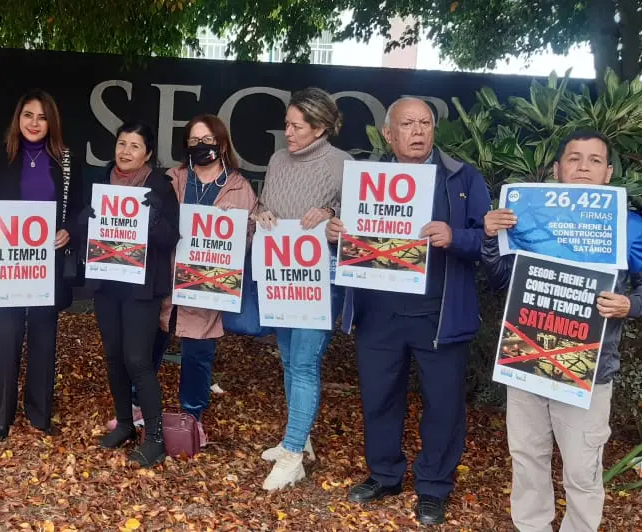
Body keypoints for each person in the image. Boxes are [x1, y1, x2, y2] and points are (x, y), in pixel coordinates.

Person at [481, 131, 642, 532]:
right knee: (527, 457)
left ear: (608, 173)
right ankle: (532, 526)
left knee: (583, 469)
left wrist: (631, 304)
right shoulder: (525, 217)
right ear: (556, 169)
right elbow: (500, 280)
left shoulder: (628, 223)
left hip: (591, 367)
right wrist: (490, 238)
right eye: (574, 158)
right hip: (527, 358)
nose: (584, 166)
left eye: (595, 160)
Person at [325, 97, 490, 525]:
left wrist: (457, 236)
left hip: (439, 314)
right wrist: (334, 230)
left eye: (425, 123)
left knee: (443, 405)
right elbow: (345, 231)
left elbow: (491, 244)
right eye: (408, 124)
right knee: (378, 399)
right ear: (388, 133)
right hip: (379, 313)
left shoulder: (462, 177)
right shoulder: (365, 179)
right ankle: (384, 474)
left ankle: (434, 487)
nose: (418, 131)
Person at [250, 88, 350, 490]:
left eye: (296, 126)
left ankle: (292, 454)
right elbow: (261, 206)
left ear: (320, 127)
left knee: (306, 363)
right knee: (289, 360)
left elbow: (359, 220)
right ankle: (300, 434)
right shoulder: (277, 160)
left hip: (319, 276)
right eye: (287, 124)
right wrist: (264, 213)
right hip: (280, 273)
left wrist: (331, 214)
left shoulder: (342, 164)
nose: (287, 132)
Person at [0, 89, 81, 441]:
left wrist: (67, 231)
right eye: (28, 115)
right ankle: (4, 414)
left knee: (43, 337)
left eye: (42, 117)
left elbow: (78, 209)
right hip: (6, 264)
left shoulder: (64, 160)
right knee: (7, 337)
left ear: (52, 122)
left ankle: (39, 413)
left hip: (46, 263)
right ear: (17, 119)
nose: (34, 123)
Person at [81, 121, 180, 467]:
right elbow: (81, 225)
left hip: (142, 287)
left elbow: (171, 238)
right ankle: (124, 422)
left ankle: (154, 438)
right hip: (107, 282)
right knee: (113, 356)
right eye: (122, 143)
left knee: (137, 360)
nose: (125, 151)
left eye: (135, 146)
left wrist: (153, 218)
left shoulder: (160, 186)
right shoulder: (100, 180)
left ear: (148, 153)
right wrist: (86, 218)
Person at [158, 114, 258, 444]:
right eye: (194, 141)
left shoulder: (240, 187)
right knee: (152, 343)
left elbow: (249, 237)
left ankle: (191, 417)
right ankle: (137, 405)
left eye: (207, 140)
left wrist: (238, 231)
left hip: (209, 284)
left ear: (222, 143)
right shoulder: (173, 179)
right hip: (168, 280)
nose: (201, 146)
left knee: (198, 354)